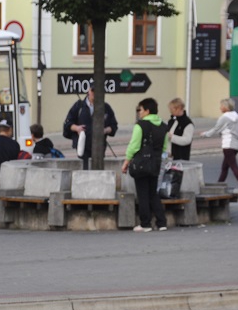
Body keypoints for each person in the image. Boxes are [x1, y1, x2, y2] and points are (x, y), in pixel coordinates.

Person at [120, 98, 170, 233]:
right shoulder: (163, 126)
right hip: (156, 163)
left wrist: (126, 162)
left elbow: (134, 146)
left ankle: (145, 224)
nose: (139, 112)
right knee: (153, 193)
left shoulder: (140, 125)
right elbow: (164, 147)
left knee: (142, 193)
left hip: (142, 163)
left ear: (147, 111)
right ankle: (162, 222)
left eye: (140, 109)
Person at [201, 97, 238, 196]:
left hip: (228, 144)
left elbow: (216, 129)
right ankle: (219, 185)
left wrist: (205, 134)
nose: (220, 108)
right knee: (225, 167)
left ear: (226, 107)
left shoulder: (224, 117)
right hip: (236, 145)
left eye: (221, 106)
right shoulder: (237, 116)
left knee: (233, 166)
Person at [62, 88, 118, 170]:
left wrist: (105, 130)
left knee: (98, 171)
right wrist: (77, 128)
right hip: (83, 146)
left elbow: (114, 126)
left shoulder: (106, 108)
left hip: (99, 146)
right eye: (93, 91)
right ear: (88, 91)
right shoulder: (79, 106)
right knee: (84, 170)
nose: (95, 93)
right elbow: (67, 124)